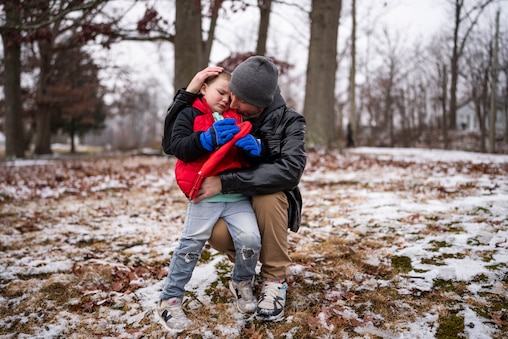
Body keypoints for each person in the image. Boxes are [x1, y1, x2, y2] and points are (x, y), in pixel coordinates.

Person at [162, 56, 307, 323]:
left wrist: (237, 171)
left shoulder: (290, 122)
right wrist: (189, 92)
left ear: (260, 102)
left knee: (270, 196)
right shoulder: (224, 111)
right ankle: (175, 296)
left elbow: (289, 171)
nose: (231, 102)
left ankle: (274, 278)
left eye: (239, 98)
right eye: (228, 94)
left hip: (262, 203)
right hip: (223, 201)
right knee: (210, 238)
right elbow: (174, 143)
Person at [156, 71, 262, 332]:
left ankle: (242, 282)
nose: (226, 99)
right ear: (203, 88)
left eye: (231, 95)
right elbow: (177, 146)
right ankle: (169, 299)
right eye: (221, 92)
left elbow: (247, 156)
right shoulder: (189, 114)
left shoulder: (238, 116)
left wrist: (256, 150)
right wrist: (204, 140)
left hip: (237, 197)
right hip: (204, 196)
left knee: (251, 240)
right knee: (190, 247)